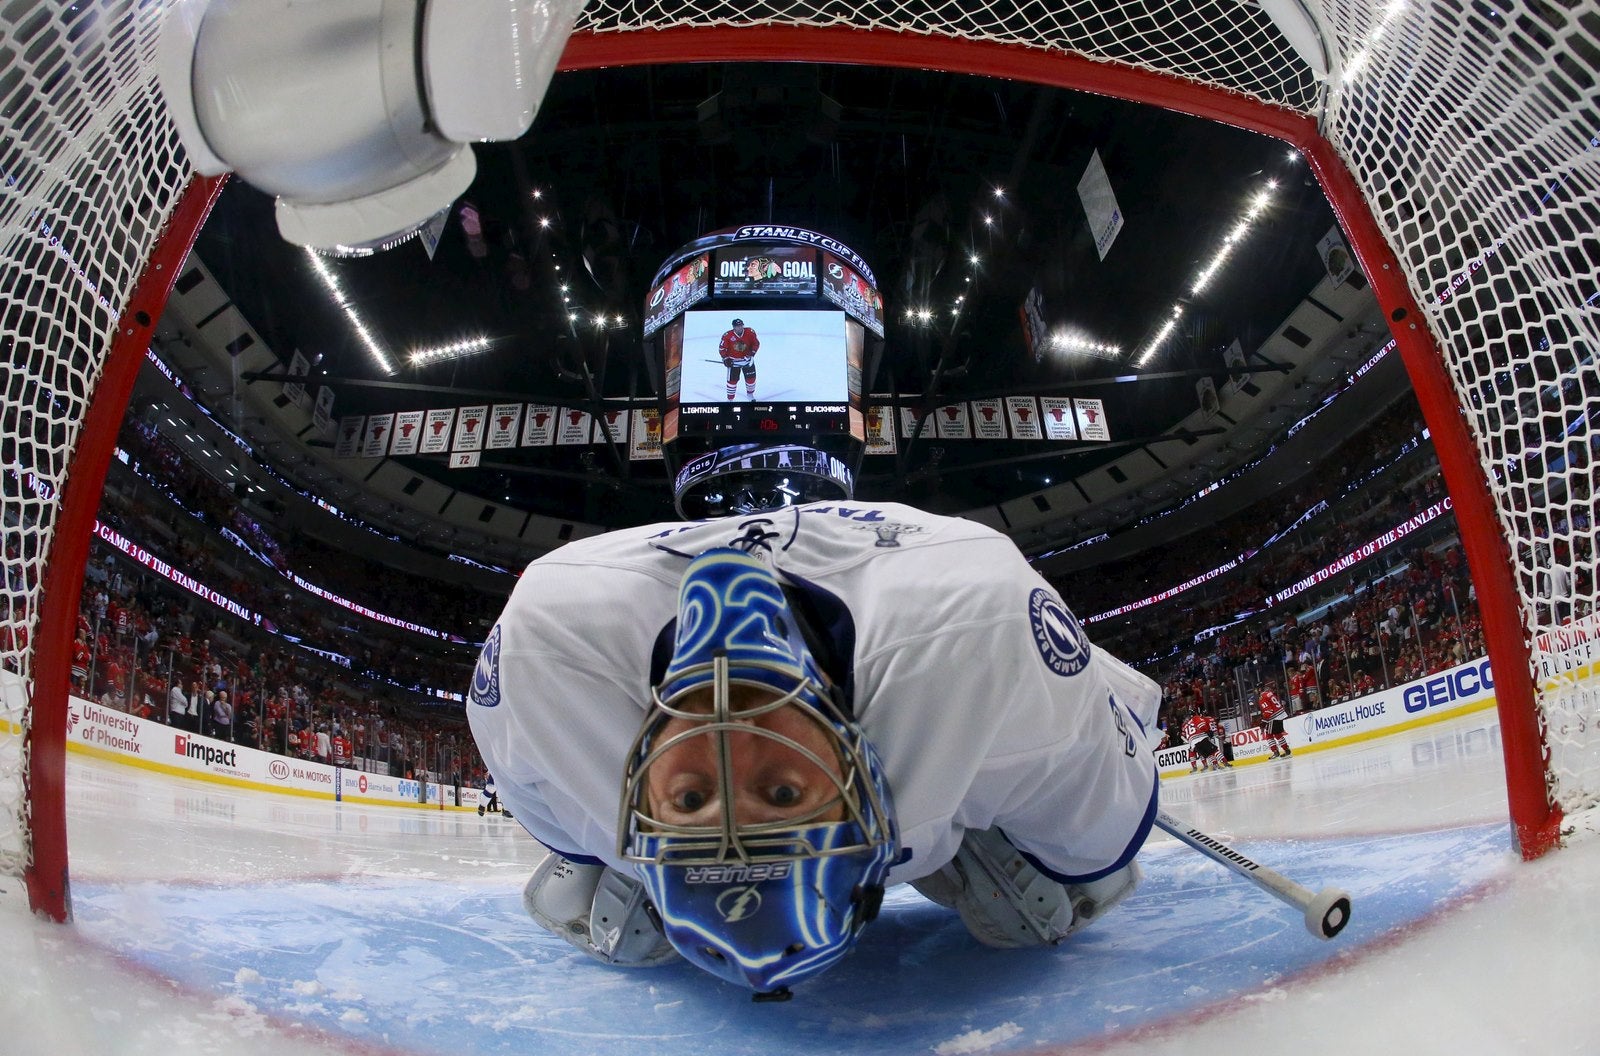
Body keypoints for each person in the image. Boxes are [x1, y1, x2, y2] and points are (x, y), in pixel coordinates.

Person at [468, 501, 1160, 998]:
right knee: (1052, 899)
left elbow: (577, 836)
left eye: (692, 797)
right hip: (956, 649)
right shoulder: (983, 629)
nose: (732, 749)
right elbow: (1092, 848)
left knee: (602, 897)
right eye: (782, 793)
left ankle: (661, 866)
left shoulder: (542, 656)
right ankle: (967, 838)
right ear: (870, 796)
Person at [717, 317, 759, 400]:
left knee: (751, 380)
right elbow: (722, 348)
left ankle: (750, 395)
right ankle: (730, 399)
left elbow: (756, 344)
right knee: (732, 382)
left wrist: (751, 354)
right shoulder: (727, 336)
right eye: (737, 326)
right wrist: (725, 358)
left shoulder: (750, 332)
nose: (740, 328)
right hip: (734, 362)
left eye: (741, 325)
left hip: (747, 361)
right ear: (733, 327)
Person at [1257, 680, 1292, 759]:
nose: (1256, 691)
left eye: (1256, 689)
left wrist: (1263, 722)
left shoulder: (1262, 697)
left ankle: (1275, 752)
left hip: (1274, 716)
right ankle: (1287, 750)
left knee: (1268, 735)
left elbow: (1268, 710)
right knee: (1278, 734)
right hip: (1280, 714)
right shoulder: (1269, 693)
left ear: (1259, 689)